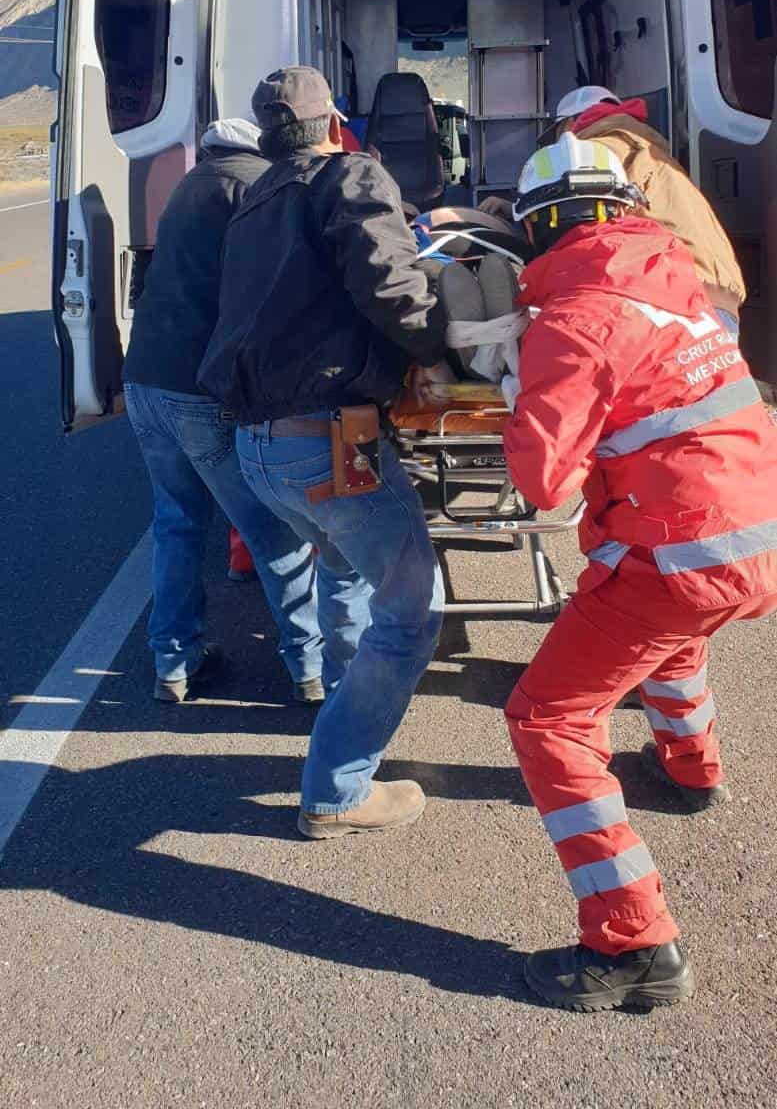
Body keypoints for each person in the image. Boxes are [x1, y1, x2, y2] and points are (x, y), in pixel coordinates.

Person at [498, 132, 777, 1012]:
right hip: (750, 531)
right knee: (673, 638)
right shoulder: (675, 287)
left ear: (539, 228)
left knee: (547, 720)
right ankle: (691, 771)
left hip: (680, 555)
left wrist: (521, 388)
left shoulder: (573, 321)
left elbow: (541, 483)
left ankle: (634, 946)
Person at [199, 66, 451, 839]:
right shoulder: (351, 176)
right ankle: (337, 790)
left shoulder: (253, 201)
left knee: (344, 569)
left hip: (258, 449)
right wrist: (446, 346)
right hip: (327, 444)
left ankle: (350, 701)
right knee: (412, 614)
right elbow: (389, 285)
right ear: (334, 124)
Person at [123, 117, 325, 704]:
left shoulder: (188, 187)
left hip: (146, 381)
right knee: (272, 530)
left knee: (178, 523)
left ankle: (174, 664)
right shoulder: (256, 186)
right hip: (197, 391)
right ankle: (310, 668)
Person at [480, 85, 745, 333]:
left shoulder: (596, 153)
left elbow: (573, 232)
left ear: (571, 124)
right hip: (714, 301)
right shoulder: (642, 149)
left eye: (558, 132)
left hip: (673, 302)